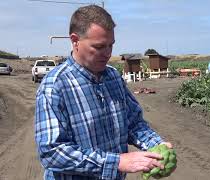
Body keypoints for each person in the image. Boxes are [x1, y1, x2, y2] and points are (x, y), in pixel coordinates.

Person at [35, 5, 172, 180]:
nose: (107, 53)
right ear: (75, 40)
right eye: (99, 47)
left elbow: (133, 123)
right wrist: (116, 163)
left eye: (111, 45)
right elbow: (52, 153)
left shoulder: (113, 77)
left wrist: (156, 146)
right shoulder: (54, 86)